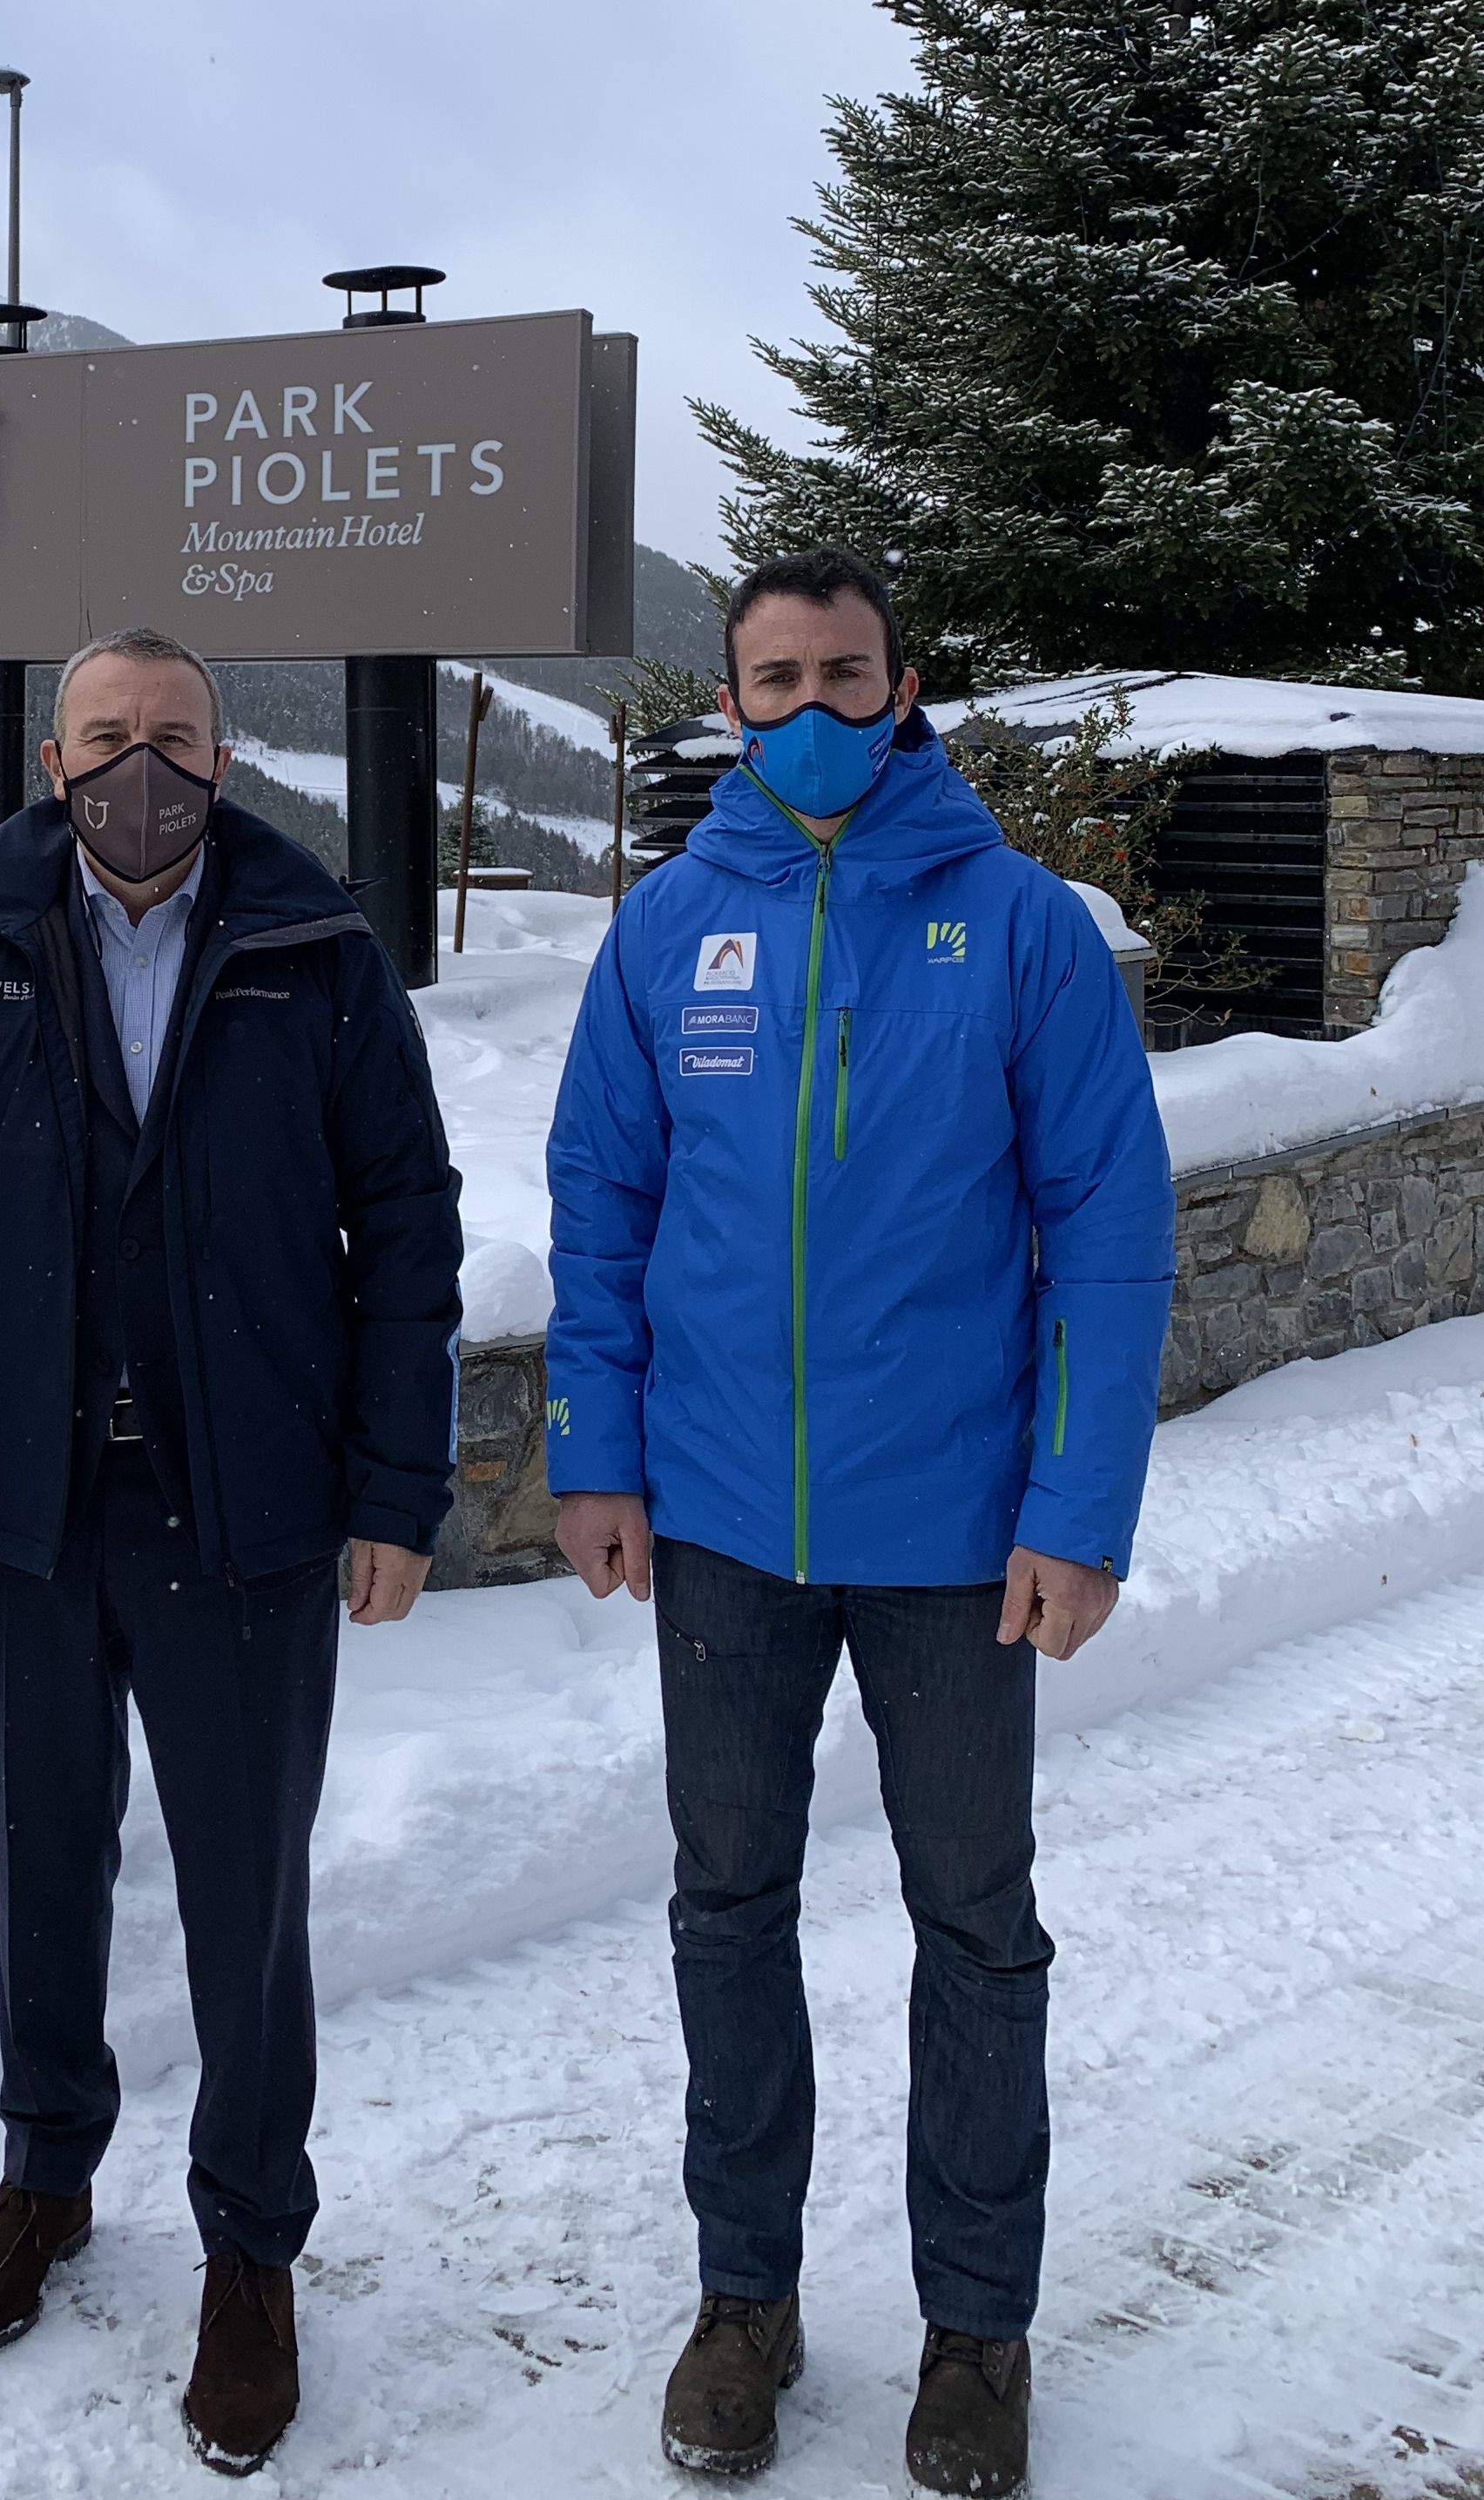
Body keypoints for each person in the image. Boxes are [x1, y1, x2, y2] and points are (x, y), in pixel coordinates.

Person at [545, 550, 1174, 2497]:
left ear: (907, 687)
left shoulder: (1020, 929)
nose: (811, 711)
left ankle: (976, 2335)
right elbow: (602, 1206)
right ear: (727, 703)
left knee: (974, 1929)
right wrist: (596, 1449)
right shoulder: (665, 930)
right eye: (773, 679)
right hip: (726, 1520)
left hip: (953, 1537)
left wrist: (1077, 1509)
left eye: (846, 674)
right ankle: (748, 2303)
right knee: (727, 1908)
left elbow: (1114, 1237)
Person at [0, 627, 463, 2476]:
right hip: (21, 1512)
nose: (140, 767)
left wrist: (391, 1490)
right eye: (108, 735)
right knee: (41, 1861)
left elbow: (408, 1232)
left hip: (246, 1513)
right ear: (53, 755)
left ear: (226, 754)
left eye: (173, 736)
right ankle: (49, 2175)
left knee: (242, 1897)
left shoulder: (320, 957)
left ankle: (252, 2246)